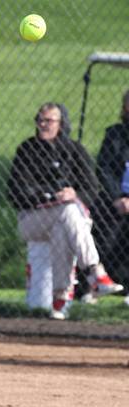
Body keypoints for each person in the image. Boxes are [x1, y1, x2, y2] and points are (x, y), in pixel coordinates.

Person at [6, 102, 123, 320]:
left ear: (61, 124)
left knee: (63, 227)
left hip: (67, 220)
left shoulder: (74, 150)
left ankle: (59, 301)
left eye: (48, 120)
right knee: (67, 211)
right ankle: (95, 272)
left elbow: (91, 189)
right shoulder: (27, 149)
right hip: (31, 220)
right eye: (39, 120)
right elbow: (15, 192)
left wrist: (74, 194)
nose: (42, 124)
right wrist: (51, 195)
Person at [96, 89, 129, 304]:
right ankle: (96, 284)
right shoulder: (115, 135)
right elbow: (104, 168)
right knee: (103, 233)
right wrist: (118, 197)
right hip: (115, 199)